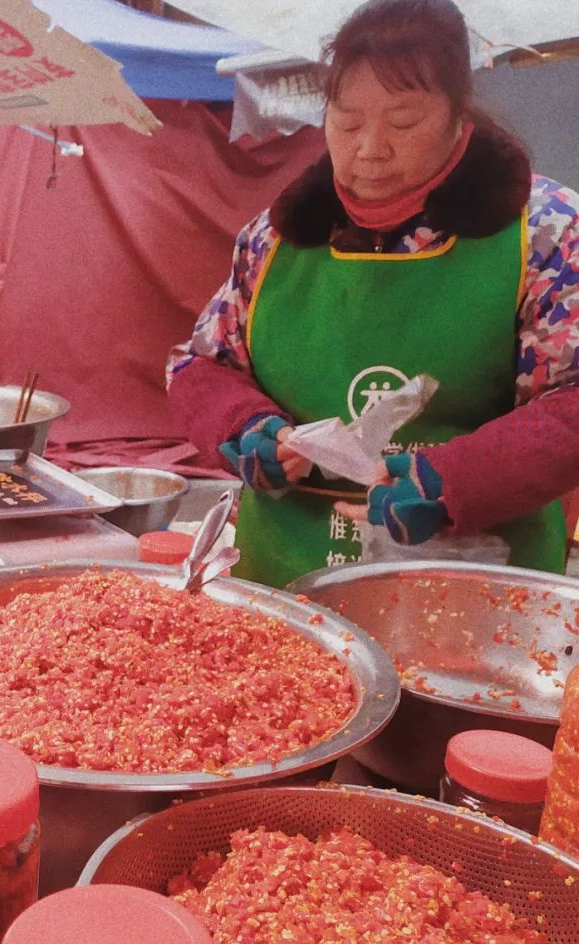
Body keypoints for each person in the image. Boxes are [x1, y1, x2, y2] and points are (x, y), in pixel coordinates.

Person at [167, 0, 579, 588]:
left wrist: (454, 480)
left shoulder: (545, 231)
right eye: (348, 120)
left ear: (459, 113)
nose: (370, 148)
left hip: (475, 578)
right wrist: (242, 427)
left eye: (404, 122)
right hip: (287, 570)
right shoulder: (275, 238)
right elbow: (198, 365)